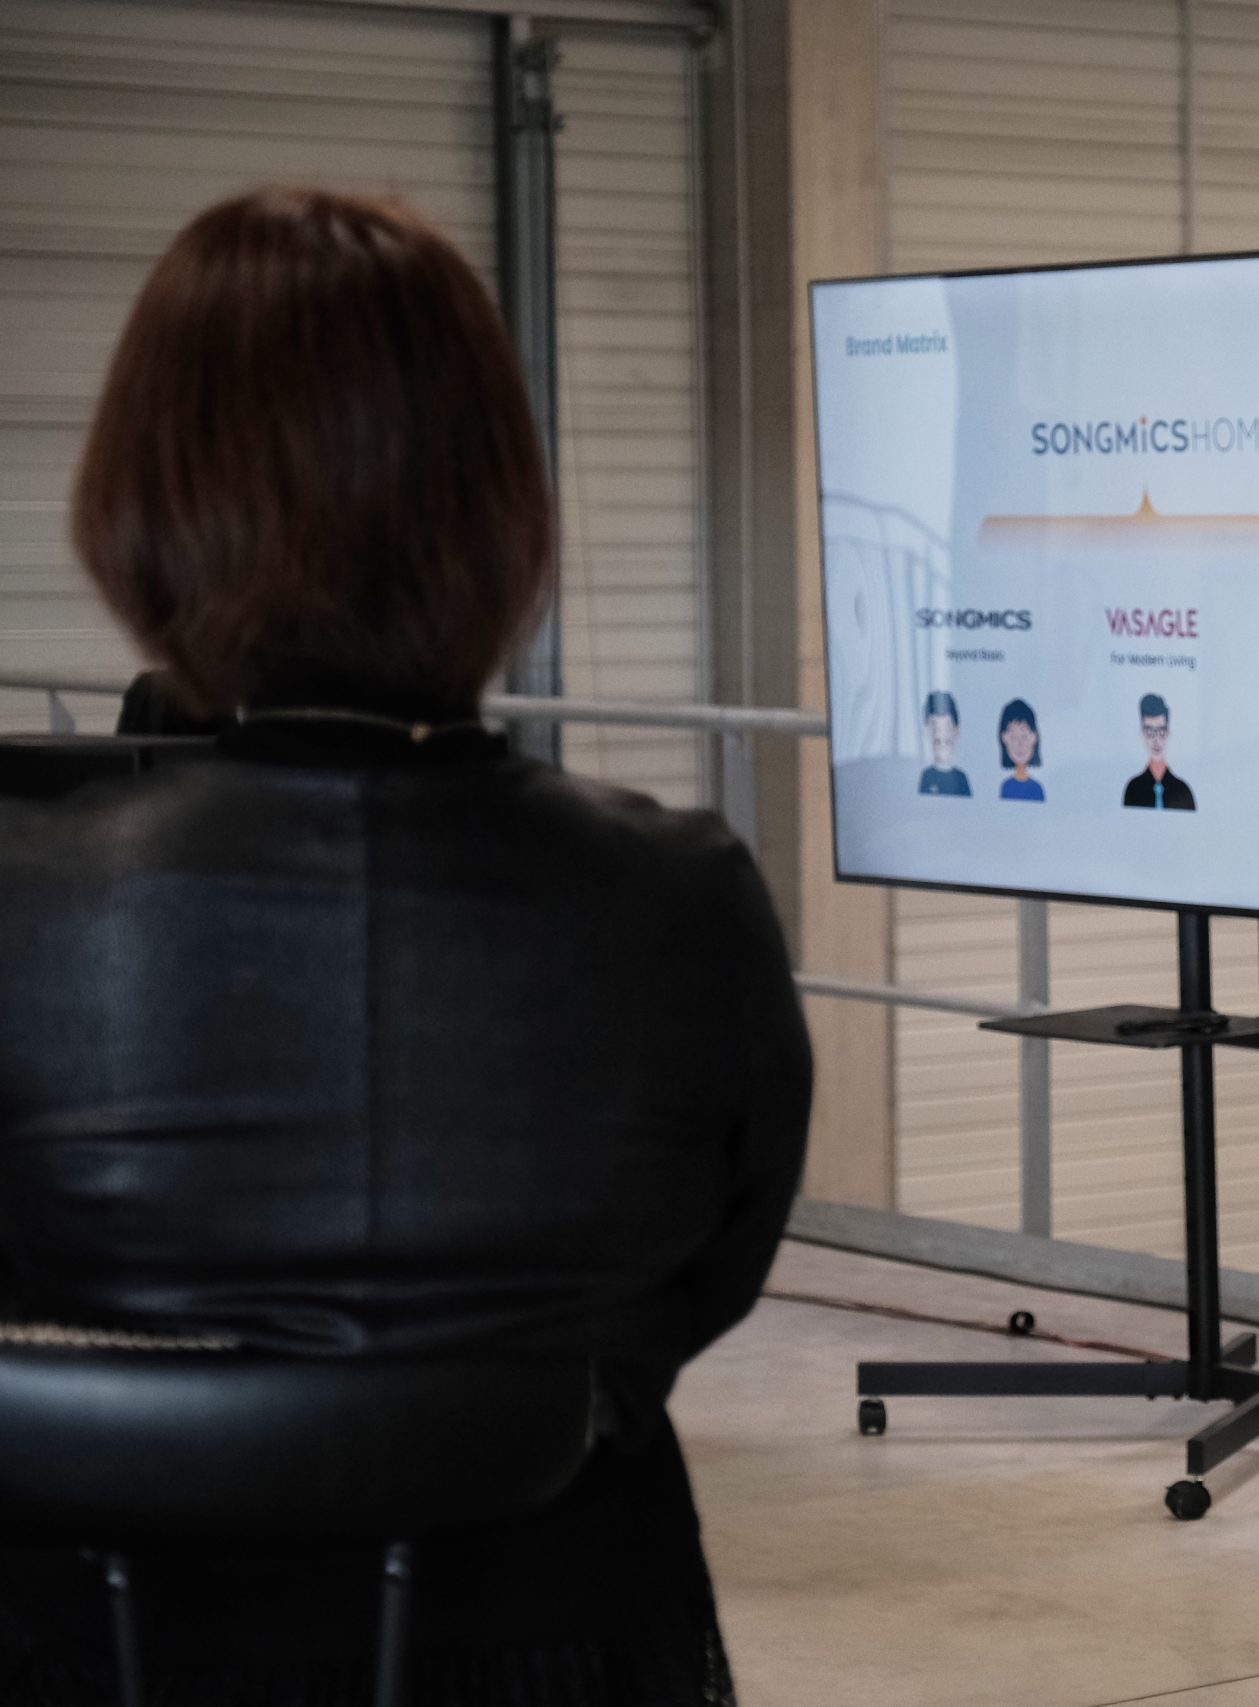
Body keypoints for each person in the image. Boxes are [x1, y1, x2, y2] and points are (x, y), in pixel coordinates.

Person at [0, 187, 812, 1705]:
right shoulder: (679, 897)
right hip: (566, 1643)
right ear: (501, 507)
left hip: (95, 1649)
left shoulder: (29, 902)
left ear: (139, 505)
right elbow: (702, 1281)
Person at [1120, 691, 1195, 809]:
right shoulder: (1133, 789)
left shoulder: (1183, 790)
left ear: (1168, 733)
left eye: (1161, 731)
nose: (1156, 740)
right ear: (1142, 734)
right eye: (1150, 731)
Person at [919, 688, 971, 795]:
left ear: (956, 730)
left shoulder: (961, 778)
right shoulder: (926, 776)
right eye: (935, 727)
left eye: (947, 727)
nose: (941, 735)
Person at [996, 696, 1045, 800]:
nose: (1019, 744)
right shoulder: (1005, 786)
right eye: (1013, 737)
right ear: (1004, 738)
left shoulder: (1037, 788)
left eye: (1024, 736)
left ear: (1034, 737)